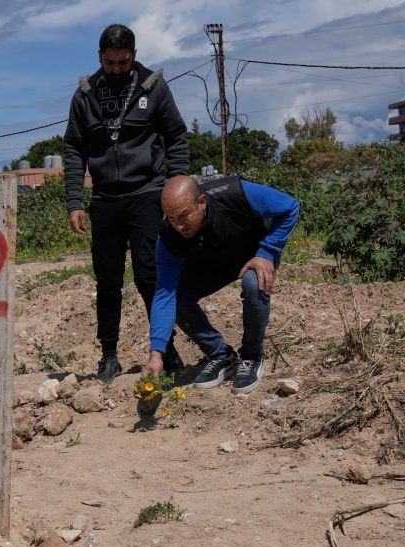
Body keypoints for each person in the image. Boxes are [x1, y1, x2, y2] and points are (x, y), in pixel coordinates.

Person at [63, 24, 189, 383]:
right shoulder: (85, 94)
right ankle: (108, 356)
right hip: (105, 200)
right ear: (99, 57)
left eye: (121, 62)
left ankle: (166, 350)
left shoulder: (154, 87)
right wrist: (74, 200)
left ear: (134, 55)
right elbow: (73, 149)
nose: (115, 68)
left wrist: (175, 187)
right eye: (108, 62)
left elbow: (177, 136)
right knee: (108, 281)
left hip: (147, 195)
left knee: (151, 275)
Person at [140, 175, 300, 394]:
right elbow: (164, 294)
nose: (178, 225)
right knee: (177, 297)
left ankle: (251, 357)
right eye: (171, 217)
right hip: (215, 263)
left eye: (184, 215)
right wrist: (156, 353)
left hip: (254, 254)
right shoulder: (169, 239)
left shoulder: (236, 193)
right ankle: (222, 356)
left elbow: (289, 207)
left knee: (254, 282)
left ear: (202, 202)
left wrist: (267, 251)